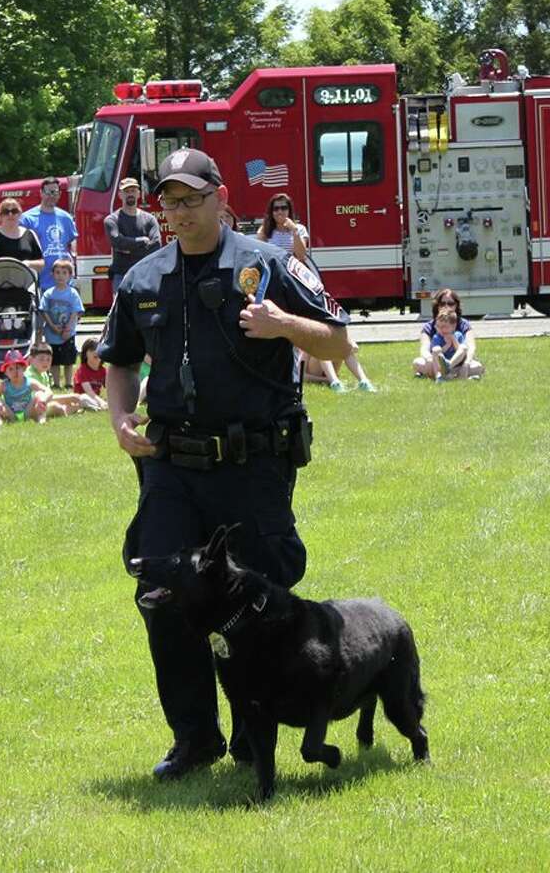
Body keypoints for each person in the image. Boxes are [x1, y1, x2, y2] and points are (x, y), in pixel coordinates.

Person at [98, 148, 352, 781]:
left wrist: (282, 323)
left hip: (250, 464)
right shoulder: (143, 279)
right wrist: (121, 420)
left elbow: (340, 341)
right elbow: (121, 360)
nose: (179, 212)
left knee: (258, 602)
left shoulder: (270, 265)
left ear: (220, 197)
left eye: (191, 199)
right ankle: (194, 739)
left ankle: (252, 730)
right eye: (170, 202)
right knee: (162, 598)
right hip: (172, 466)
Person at [413, 288, 484, 379]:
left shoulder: (464, 325)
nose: (446, 306)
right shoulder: (429, 327)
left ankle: (446, 371)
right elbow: (424, 349)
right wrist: (430, 360)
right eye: (442, 304)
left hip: (459, 363)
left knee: (477, 366)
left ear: (456, 306)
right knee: (417, 362)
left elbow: (471, 347)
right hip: (436, 363)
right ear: (437, 306)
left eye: (450, 303)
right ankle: (452, 375)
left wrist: (466, 363)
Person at [20, 177, 77, 291]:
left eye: (55, 192)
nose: (52, 195)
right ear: (41, 193)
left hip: (64, 281)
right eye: (48, 192)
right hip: (40, 281)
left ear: (60, 194)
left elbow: (73, 245)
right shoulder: (28, 219)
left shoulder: (66, 218)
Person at [105, 178, 161, 289]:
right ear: (120, 195)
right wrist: (143, 241)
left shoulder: (150, 219)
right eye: (126, 191)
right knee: (121, 306)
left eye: (133, 190)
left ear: (139, 194)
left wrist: (128, 248)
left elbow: (156, 245)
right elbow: (117, 242)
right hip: (121, 276)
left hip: (145, 275)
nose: (130, 194)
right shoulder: (112, 220)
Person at [39, 258, 84, 387]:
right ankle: (56, 383)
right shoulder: (48, 293)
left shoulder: (72, 293)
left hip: (68, 333)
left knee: (68, 360)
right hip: (52, 333)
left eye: (64, 273)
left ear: (70, 275)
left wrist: (68, 329)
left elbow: (76, 312)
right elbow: (44, 311)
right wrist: (52, 326)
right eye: (57, 272)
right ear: (52, 274)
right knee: (54, 360)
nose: (60, 276)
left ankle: (69, 382)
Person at [0, 350, 50, 425]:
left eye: (18, 368)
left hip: (28, 412)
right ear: (6, 372)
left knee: (39, 395)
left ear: (24, 369)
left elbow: (48, 391)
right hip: (10, 414)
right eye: (11, 369)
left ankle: (42, 420)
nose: (15, 372)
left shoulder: (30, 382)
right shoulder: (3, 385)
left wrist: (43, 400)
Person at [0, 200, 44, 273]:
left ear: (20, 214)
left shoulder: (30, 234)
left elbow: (41, 263)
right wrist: (4, 264)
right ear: (0, 215)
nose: (10, 214)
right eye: (6, 212)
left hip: (26, 281)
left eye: (14, 211)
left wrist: (28, 263)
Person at [256, 192, 308, 263]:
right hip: (274, 271)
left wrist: (294, 231)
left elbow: (301, 255)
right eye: (276, 209)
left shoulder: (300, 228)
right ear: (271, 212)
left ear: (289, 210)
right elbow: (262, 257)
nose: (280, 212)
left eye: (284, 208)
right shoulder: (264, 230)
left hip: (292, 271)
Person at [73, 337, 108, 410]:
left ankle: (100, 406)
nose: (95, 352)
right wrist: (101, 402)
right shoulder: (82, 371)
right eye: (92, 350)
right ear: (85, 354)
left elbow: (111, 388)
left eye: (98, 349)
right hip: (83, 398)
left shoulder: (103, 371)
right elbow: (89, 392)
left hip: (95, 399)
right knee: (83, 398)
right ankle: (99, 407)